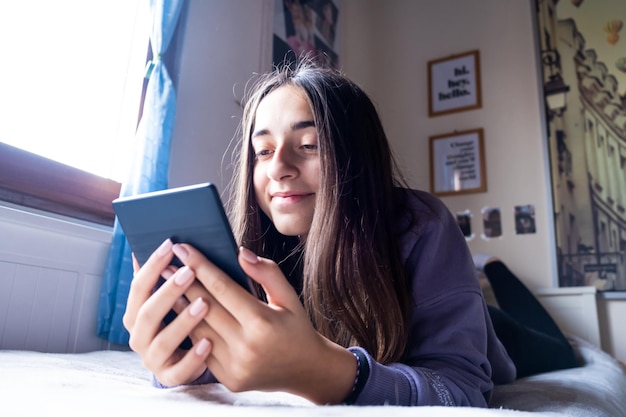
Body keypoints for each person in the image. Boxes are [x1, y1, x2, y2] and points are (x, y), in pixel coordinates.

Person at [122, 58, 517, 407]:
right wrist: (182, 358)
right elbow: (245, 360)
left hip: (502, 335)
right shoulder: (254, 250)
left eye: (308, 145)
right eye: (262, 151)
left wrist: (327, 373)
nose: (278, 167)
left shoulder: (421, 223)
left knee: (533, 332)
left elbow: (465, 387)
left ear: (357, 157)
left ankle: (501, 279)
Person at [473, 254, 580, 379]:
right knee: (563, 355)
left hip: (478, 324)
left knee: (564, 357)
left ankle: (492, 266)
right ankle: (491, 268)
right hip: (476, 323)